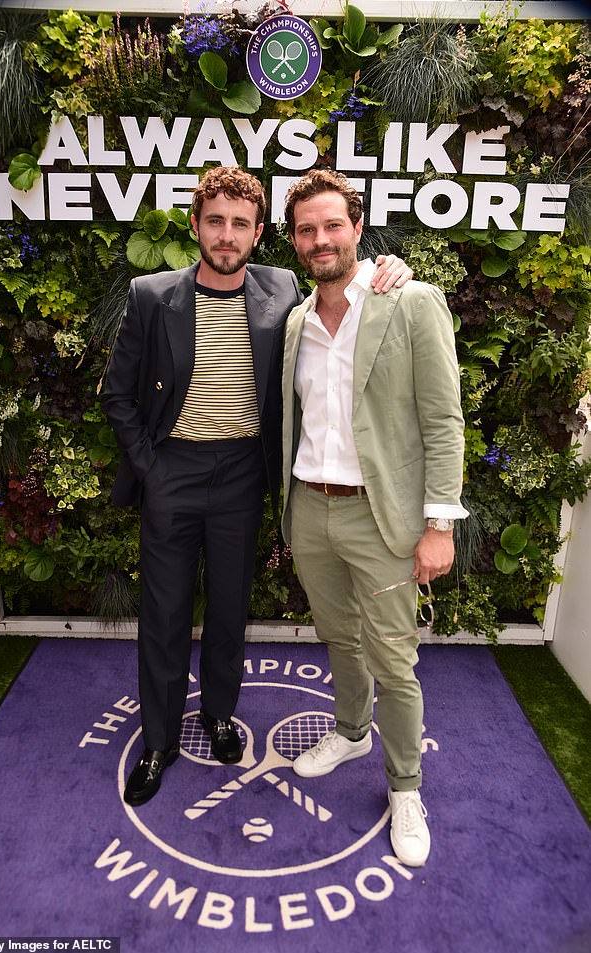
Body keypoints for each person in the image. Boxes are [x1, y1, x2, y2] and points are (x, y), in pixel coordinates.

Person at [101, 166, 413, 806]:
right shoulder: (150, 295)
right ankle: (158, 741)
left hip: (245, 473)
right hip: (175, 472)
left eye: (240, 223)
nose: (226, 234)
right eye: (214, 220)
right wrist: (152, 467)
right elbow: (118, 396)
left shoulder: (283, 289)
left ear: (259, 232)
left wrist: (395, 268)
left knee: (227, 609)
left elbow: (347, 287)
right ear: (195, 226)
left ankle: (218, 715)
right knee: (162, 614)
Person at [280, 169, 467, 867]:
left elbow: (443, 421)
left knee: (394, 659)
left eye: (333, 225)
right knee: (339, 639)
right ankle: (351, 730)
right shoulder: (298, 319)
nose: (320, 239)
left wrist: (439, 522)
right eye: (306, 229)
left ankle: (406, 788)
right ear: (295, 241)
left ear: (358, 228)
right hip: (310, 511)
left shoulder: (411, 301)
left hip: (381, 517)